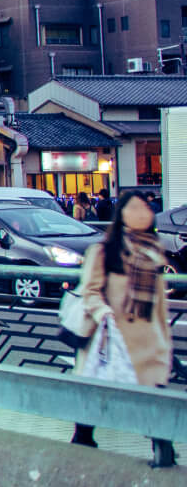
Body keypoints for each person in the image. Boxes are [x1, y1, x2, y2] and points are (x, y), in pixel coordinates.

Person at [72, 190, 173, 458]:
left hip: (146, 337)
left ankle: (163, 448)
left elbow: (159, 305)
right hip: (108, 334)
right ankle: (82, 440)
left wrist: (164, 343)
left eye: (145, 209)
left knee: (151, 392)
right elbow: (90, 291)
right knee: (97, 388)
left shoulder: (154, 253)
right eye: (134, 209)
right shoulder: (103, 251)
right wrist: (103, 312)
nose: (141, 214)